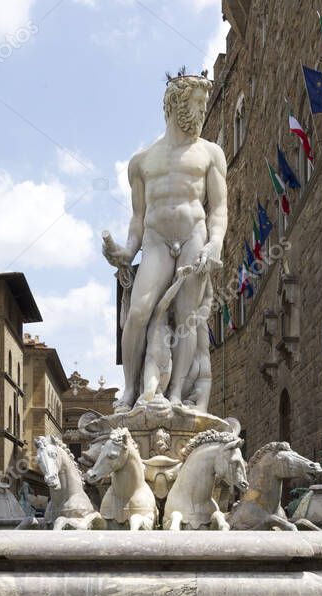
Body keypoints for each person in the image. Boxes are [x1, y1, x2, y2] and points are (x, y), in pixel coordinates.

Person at [103, 68, 227, 413]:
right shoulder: (141, 161)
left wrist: (214, 242)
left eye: (204, 104)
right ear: (176, 103)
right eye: (198, 103)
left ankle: (175, 396)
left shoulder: (211, 153)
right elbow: (138, 218)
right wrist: (126, 251)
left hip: (193, 237)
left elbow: (219, 209)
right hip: (156, 241)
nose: (203, 110)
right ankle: (129, 392)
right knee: (138, 312)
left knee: (188, 317)